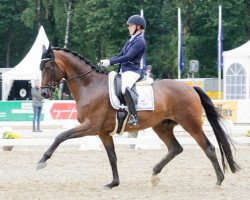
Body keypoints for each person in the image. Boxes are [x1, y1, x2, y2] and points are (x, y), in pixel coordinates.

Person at [99, 15, 146, 127]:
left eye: (131, 25)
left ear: (138, 27)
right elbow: (120, 55)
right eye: (129, 25)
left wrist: (110, 63)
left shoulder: (140, 41)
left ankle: (134, 116)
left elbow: (128, 57)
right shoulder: (130, 41)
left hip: (133, 71)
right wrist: (107, 61)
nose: (128, 27)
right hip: (124, 71)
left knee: (125, 88)